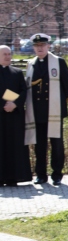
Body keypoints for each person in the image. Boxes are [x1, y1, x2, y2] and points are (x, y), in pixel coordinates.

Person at [23, 33, 68, 186]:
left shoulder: (58, 62)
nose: (40, 48)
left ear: (48, 46)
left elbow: (67, 87)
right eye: (37, 46)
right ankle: (41, 174)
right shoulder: (31, 64)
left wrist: (61, 105)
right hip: (37, 111)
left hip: (54, 110)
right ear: (34, 48)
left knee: (56, 144)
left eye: (42, 45)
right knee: (39, 145)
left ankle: (57, 174)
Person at [0, 46, 31, 186]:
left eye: (9, 54)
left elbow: (23, 91)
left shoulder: (17, 72)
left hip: (14, 117)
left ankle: (14, 177)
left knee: (14, 146)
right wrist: (5, 104)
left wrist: (14, 104)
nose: (7, 56)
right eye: (4, 54)